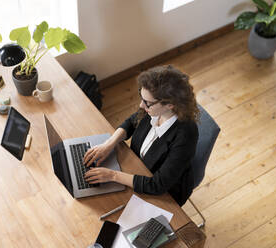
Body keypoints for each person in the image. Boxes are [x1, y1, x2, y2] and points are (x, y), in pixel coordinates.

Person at [83, 65, 199, 206]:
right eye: (142, 97)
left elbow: (157, 185)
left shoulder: (186, 135)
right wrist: (109, 144)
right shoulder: (153, 111)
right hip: (137, 169)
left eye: (147, 103)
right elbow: (131, 122)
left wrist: (112, 175)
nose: (141, 106)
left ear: (170, 104)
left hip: (165, 193)